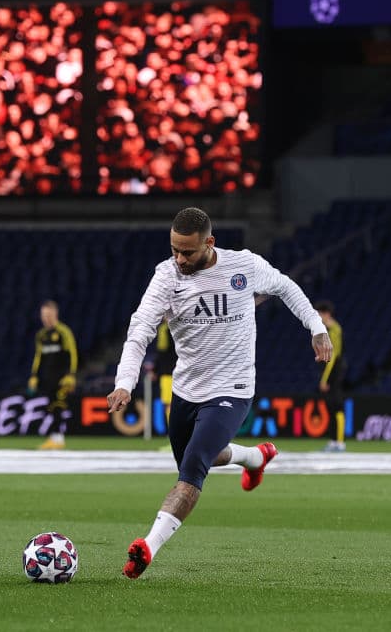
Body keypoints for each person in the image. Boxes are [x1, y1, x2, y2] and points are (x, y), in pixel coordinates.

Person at [107, 207, 332, 579]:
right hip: (187, 389)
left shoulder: (243, 266)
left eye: (188, 252)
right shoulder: (166, 276)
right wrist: (124, 382)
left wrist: (316, 327)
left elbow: (285, 286)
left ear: (209, 243)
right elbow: (140, 329)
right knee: (198, 456)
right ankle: (254, 458)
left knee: (194, 465)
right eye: (174, 250)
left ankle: (147, 546)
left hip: (233, 387)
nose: (179, 259)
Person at [27, 300, 78, 450]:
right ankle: (54, 437)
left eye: (48, 315)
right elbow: (38, 357)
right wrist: (34, 376)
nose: (45, 318)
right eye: (43, 315)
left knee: (58, 405)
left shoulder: (63, 332)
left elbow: (72, 353)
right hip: (47, 376)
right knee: (50, 406)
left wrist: (71, 374)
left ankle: (57, 438)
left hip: (62, 377)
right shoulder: (41, 335)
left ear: (55, 314)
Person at [315, 300, 348, 451]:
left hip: (335, 369)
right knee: (331, 407)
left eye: (319, 314)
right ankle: (334, 440)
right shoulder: (330, 329)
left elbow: (333, 356)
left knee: (337, 405)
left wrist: (325, 379)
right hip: (332, 368)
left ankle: (340, 442)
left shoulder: (334, 329)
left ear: (326, 314)